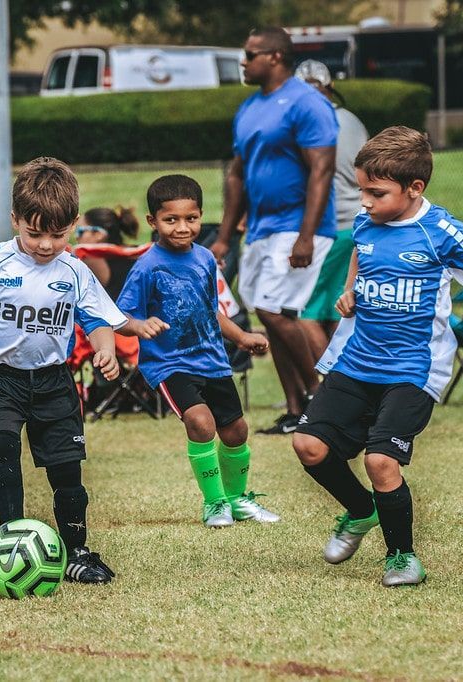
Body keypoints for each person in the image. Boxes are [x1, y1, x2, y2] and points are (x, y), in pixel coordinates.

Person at [292, 126, 463, 587]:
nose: (366, 202)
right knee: (308, 446)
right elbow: (360, 250)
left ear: (415, 188)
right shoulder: (365, 221)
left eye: (376, 193)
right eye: (361, 191)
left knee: (380, 461)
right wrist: (351, 288)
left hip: (414, 368)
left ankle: (402, 557)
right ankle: (360, 511)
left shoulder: (440, 231)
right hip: (357, 360)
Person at [0, 157, 156, 584]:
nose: (44, 245)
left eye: (57, 235)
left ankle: (77, 551)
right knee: (2, 455)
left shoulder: (75, 271)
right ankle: (10, 542)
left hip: (55, 382)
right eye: (34, 233)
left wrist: (106, 351)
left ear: (73, 225)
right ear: (15, 220)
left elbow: (97, 320)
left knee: (67, 473)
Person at [116, 175, 276, 527]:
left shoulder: (205, 259)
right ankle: (215, 503)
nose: (182, 227)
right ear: (152, 221)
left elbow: (211, 309)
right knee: (201, 423)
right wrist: (140, 326)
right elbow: (119, 315)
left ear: (201, 216)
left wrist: (242, 337)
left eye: (191, 219)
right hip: (170, 363)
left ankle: (237, 499)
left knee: (236, 431)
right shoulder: (146, 266)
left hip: (212, 360)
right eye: (171, 220)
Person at [210, 27, 338, 435]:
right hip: (262, 229)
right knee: (271, 312)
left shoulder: (308, 102)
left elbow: (322, 168)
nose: (243, 62)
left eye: (250, 55)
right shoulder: (249, 108)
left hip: (298, 228)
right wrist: (225, 236)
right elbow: (237, 175)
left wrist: (306, 234)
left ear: (276, 57)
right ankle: (296, 409)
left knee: (270, 307)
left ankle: (322, 395)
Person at [294, 60, 370, 360]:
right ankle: (343, 386)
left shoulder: (306, 125)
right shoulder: (352, 120)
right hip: (358, 223)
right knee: (339, 306)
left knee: (305, 312)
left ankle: (326, 387)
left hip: (327, 226)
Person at [74, 206, 140, 300]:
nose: (77, 237)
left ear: (98, 234)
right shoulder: (136, 251)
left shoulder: (90, 258)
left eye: (80, 231)